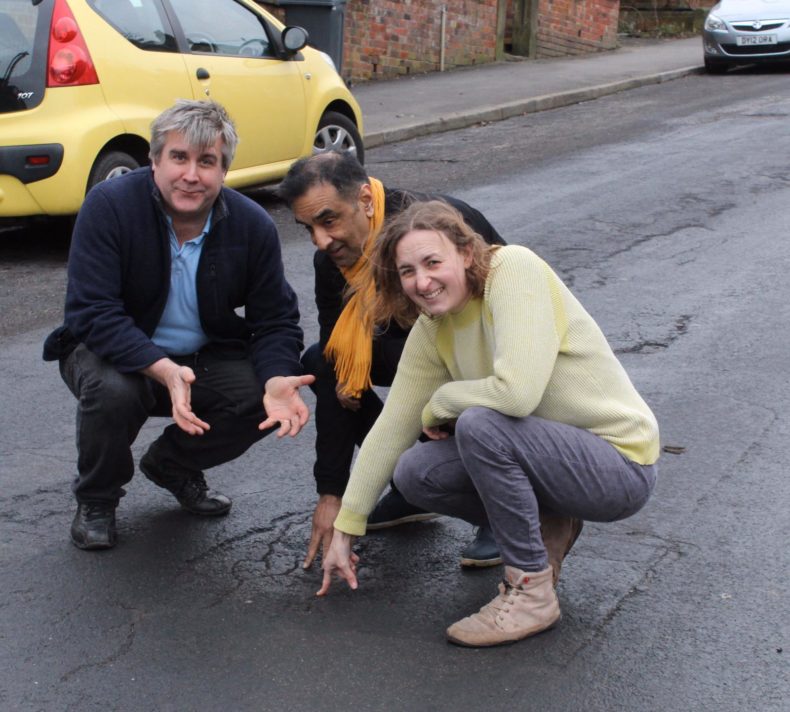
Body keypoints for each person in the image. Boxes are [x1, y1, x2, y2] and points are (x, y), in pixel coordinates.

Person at [318, 200, 660, 648]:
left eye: (432, 262)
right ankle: (546, 520)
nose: (422, 281)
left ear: (465, 252)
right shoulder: (432, 328)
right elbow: (391, 428)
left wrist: (441, 401)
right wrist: (346, 527)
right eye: (406, 271)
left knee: (481, 423)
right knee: (416, 471)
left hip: (618, 464)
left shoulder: (513, 270)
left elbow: (517, 395)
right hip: (550, 459)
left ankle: (531, 591)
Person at [43, 100, 314, 551]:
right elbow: (92, 311)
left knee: (260, 397)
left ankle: (172, 464)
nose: (192, 175)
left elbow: (276, 320)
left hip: (204, 356)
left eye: (207, 161)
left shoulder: (252, 225)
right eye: (179, 157)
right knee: (115, 392)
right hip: (115, 352)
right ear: (154, 161)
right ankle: (97, 498)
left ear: (224, 170)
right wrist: (160, 366)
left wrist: (277, 378)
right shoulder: (110, 207)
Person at [278, 151, 512, 570]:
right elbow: (335, 357)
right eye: (308, 228)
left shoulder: (434, 225)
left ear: (366, 200)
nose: (320, 240)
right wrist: (333, 494)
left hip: (486, 356)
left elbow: (510, 310)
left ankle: (500, 512)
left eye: (328, 220)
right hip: (418, 355)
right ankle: (409, 487)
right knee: (326, 362)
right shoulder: (331, 262)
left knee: (452, 387)